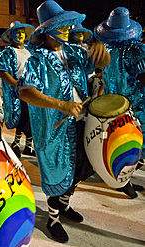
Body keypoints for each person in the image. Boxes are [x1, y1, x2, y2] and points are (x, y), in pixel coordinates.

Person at [17, 0, 110, 243]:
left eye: (68, 24)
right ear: (47, 31)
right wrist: (61, 105)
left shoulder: (76, 52)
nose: (68, 29)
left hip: (81, 122)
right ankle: (53, 219)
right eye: (62, 25)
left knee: (81, 169)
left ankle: (66, 206)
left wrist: (102, 53)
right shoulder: (36, 61)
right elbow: (25, 92)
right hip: (54, 129)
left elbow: (102, 64)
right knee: (57, 174)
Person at [94, 7, 145, 198]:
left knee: (124, 144)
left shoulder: (107, 51)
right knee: (131, 144)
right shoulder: (136, 51)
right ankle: (123, 181)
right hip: (133, 106)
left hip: (115, 106)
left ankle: (125, 179)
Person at [0, 21, 35, 158]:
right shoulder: (8, 52)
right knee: (23, 116)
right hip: (18, 91)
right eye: (17, 32)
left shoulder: (28, 51)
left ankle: (28, 146)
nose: (20, 34)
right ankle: (16, 143)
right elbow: (3, 71)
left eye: (22, 32)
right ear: (11, 36)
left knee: (31, 117)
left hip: (31, 89)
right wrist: (16, 85)